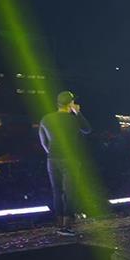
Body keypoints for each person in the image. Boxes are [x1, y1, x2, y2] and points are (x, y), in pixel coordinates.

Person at [38, 90, 92, 236]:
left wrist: (51, 153)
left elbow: (43, 142)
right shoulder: (74, 119)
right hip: (70, 159)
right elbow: (87, 129)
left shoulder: (46, 119)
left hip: (52, 159)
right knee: (70, 193)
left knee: (57, 191)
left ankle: (59, 225)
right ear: (71, 103)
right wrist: (78, 112)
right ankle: (67, 227)